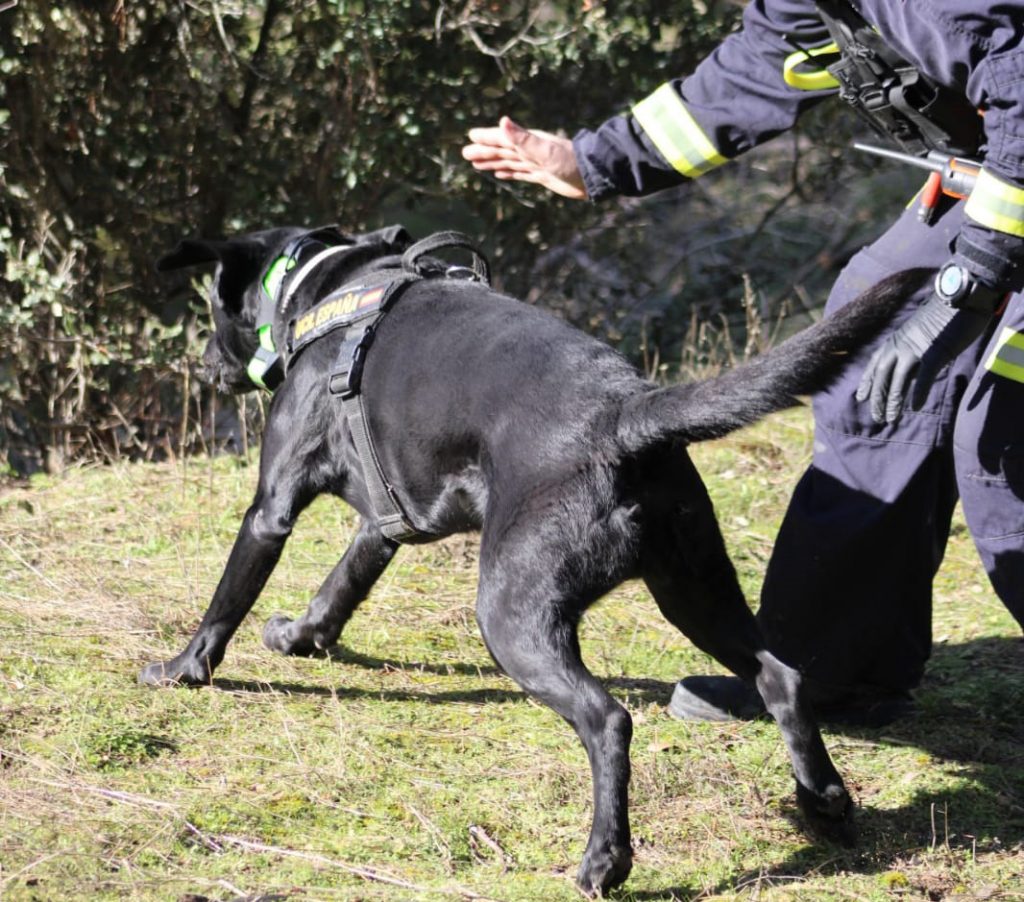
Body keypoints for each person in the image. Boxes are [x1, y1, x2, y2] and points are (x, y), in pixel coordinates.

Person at [462, 0, 1024, 726]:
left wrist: (979, 272)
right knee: (867, 364)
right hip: (995, 176)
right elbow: (755, 71)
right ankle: (832, 671)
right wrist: (590, 159)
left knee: (1003, 435)